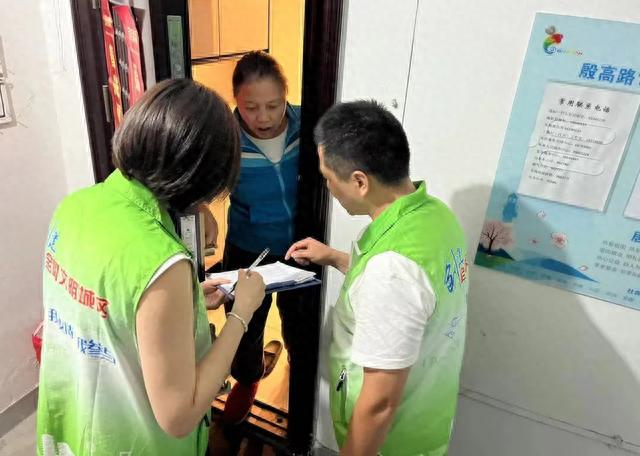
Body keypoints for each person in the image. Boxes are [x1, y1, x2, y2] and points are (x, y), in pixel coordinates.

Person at [37, 79, 266, 456]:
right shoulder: (161, 258)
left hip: (74, 427)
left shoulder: (75, 206)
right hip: (130, 441)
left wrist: (187, 302)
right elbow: (179, 415)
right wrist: (241, 313)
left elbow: (113, 310)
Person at [285, 100, 469, 455]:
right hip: (427, 419)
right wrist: (335, 257)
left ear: (359, 182)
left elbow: (379, 405)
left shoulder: (391, 271)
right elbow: (414, 294)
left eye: (327, 177)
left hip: (388, 444)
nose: (328, 186)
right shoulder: (435, 216)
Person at [204, 51, 310, 426]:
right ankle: (247, 383)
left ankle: (300, 379)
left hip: (300, 247)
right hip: (249, 247)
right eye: (251, 108)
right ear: (236, 101)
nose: (264, 117)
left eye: (273, 105)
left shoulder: (307, 122)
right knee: (245, 323)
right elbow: (198, 179)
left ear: (286, 97)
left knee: (299, 322)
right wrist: (202, 209)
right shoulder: (225, 138)